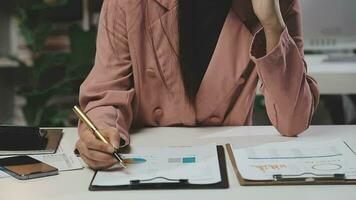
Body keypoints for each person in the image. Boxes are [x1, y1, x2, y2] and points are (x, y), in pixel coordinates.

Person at [76, 0, 319, 169]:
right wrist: (99, 131)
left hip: (229, 163)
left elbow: (293, 121)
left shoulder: (278, 4)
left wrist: (272, 22)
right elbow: (107, 92)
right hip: (145, 160)